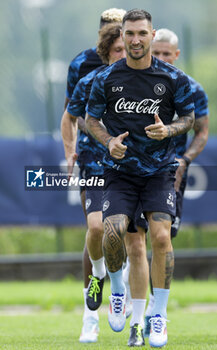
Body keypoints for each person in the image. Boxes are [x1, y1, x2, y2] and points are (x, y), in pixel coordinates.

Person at [85, 9, 194, 348]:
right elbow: (91, 120)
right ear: (123, 34)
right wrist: (109, 142)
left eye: (141, 34)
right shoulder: (106, 77)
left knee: (161, 238)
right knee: (112, 231)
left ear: (152, 34)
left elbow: (189, 117)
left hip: (160, 171)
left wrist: (169, 130)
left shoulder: (174, 78)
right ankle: (117, 288)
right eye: (129, 34)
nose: (135, 40)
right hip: (119, 172)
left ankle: (158, 315)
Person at [63, 8, 126, 343]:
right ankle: (96, 291)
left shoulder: (141, 73)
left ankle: (124, 291)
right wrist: (69, 152)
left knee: (126, 231)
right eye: (113, 35)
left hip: (130, 163)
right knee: (97, 226)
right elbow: (69, 114)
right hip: (92, 156)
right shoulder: (83, 69)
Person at [143, 28, 209, 336]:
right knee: (135, 236)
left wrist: (185, 160)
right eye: (158, 53)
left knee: (163, 239)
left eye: (168, 54)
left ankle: (154, 307)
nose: (162, 58)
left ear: (177, 55)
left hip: (172, 174)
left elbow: (202, 133)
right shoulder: (138, 83)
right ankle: (139, 300)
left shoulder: (191, 89)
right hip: (137, 171)